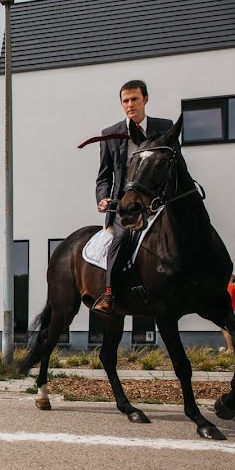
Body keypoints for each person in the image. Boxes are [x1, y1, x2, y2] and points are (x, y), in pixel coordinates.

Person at [93, 79, 174, 314]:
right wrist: (102, 198)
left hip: (158, 203)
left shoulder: (164, 127)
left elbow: (174, 165)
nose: (130, 104)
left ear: (145, 99)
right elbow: (104, 177)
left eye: (134, 99)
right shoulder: (110, 134)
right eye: (125, 101)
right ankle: (109, 295)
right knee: (121, 238)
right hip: (124, 207)